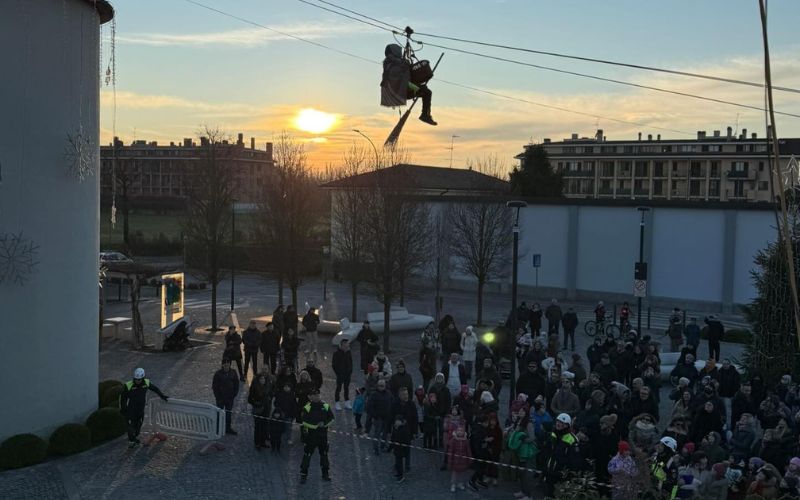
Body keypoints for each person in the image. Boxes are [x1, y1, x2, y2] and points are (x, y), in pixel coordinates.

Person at [380, 43, 437, 125]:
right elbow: (403, 82)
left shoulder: (390, 64)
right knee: (427, 92)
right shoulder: (395, 66)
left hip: (397, 92)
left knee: (424, 89)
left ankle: (425, 115)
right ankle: (425, 115)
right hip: (400, 92)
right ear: (395, 52)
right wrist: (416, 88)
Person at [119, 367, 168, 448]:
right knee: (131, 426)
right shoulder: (128, 385)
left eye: (139, 379)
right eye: (136, 379)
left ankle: (134, 438)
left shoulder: (146, 383)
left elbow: (155, 389)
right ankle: (131, 441)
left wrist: (162, 396)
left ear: (143, 378)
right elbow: (122, 398)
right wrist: (123, 409)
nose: (137, 381)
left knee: (138, 427)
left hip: (141, 410)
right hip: (131, 410)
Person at [542, 413, 583, 496]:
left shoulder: (572, 439)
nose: (558, 424)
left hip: (561, 477)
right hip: (549, 473)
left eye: (561, 423)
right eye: (557, 421)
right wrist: (544, 467)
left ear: (567, 425)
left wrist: (565, 475)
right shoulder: (553, 435)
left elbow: (574, 461)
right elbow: (546, 452)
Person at [299, 388, 334, 484]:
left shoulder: (325, 405)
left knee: (324, 455)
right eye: (314, 395)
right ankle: (303, 474)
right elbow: (304, 421)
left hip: (323, 436)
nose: (317, 397)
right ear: (310, 397)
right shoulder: (307, 407)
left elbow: (332, 418)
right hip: (311, 436)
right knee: (307, 455)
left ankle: (325, 473)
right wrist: (315, 426)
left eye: (318, 395)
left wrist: (325, 423)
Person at [212, 358, 240, 435]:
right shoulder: (218, 374)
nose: (226, 364)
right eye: (225, 363)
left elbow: (236, 384)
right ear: (222, 364)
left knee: (228, 414)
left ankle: (228, 428)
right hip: (220, 398)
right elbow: (215, 386)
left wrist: (234, 394)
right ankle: (217, 429)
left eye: (228, 363)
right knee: (219, 414)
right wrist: (218, 397)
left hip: (230, 398)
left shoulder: (233, 372)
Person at [366, 378, 393, 455]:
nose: (381, 387)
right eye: (380, 386)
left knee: (385, 433)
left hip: (386, 417)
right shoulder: (374, 394)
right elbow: (369, 407)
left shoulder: (388, 393)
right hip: (378, 418)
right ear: (377, 386)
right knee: (377, 433)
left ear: (385, 386)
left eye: (382, 386)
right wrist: (375, 415)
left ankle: (383, 446)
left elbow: (392, 402)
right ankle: (376, 449)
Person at [248, 371, 273, 449]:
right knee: (258, 427)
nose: (262, 380)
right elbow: (250, 399)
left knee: (264, 426)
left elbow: (271, 395)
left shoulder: (267, 387)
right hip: (258, 409)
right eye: (261, 379)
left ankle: (262, 442)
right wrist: (256, 403)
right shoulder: (254, 388)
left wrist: (269, 400)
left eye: (264, 379)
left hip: (266, 409)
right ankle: (257, 443)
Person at [448, 425, 472, 492]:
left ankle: (460, 483)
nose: (460, 432)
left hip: (463, 461)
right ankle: (453, 484)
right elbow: (450, 451)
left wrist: (469, 459)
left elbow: (468, 451)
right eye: (458, 430)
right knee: (455, 474)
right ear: (456, 431)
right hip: (455, 461)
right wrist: (450, 461)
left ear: (464, 432)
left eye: (461, 431)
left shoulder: (466, 441)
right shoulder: (453, 440)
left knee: (462, 474)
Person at [332, 339, 353, 411]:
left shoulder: (348, 352)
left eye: (347, 345)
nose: (347, 346)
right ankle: (337, 402)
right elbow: (334, 365)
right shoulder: (336, 353)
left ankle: (347, 401)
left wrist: (350, 371)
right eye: (345, 345)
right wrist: (338, 373)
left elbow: (351, 361)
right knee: (338, 388)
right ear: (341, 345)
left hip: (348, 374)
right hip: (340, 375)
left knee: (346, 388)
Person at [390, 414, 413, 483]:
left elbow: (406, 439)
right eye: (396, 421)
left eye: (398, 421)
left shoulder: (405, 429)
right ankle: (399, 474)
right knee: (397, 463)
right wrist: (391, 447)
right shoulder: (395, 427)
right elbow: (393, 437)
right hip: (397, 448)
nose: (396, 422)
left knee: (399, 463)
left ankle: (401, 476)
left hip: (402, 448)